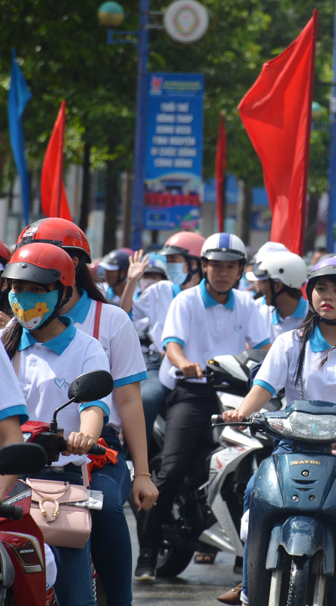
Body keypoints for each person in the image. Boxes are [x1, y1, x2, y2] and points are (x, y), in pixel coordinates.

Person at [222, 257, 336, 606]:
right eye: (321, 288)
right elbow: (263, 387)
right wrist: (241, 412)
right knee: (252, 491)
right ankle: (248, 591)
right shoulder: (291, 341)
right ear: (310, 293)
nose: (328, 296)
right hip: (293, 447)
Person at [18, 218, 158, 606]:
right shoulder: (12, 330)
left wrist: (142, 474)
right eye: (22, 279)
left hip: (89, 449)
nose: (30, 287)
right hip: (17, 447)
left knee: (107, 507)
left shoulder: (108, 321)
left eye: (44, 274)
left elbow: (126, 401)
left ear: (72, 269)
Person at [136, 233, 270, 581]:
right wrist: (184, 364)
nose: (223, 273)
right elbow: (172, 345)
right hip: (192, 392)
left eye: (230, 266)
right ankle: (147, 553)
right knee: (173, 468)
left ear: (241, 270)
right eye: (216, 266)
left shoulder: (247, 304)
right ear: (204, 266)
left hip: (237, 396)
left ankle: (251, 554)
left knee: (263, 465)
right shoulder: (186, 301)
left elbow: (267, 348)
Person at [2, 242, 112, 606]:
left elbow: (94, 406)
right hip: (7, 478)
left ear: (63, 292)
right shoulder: (4, 343)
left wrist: (84, 436)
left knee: (76, 598)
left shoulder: (87, 348)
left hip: (57, 484)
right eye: (18, 288)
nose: (23, 297)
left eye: (37, 289)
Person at [120, 232, 206, 446]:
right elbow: (124, 317)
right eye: (168, 261)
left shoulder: (211, 295)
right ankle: (135, 459)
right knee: (147, 398)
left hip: (205, 367)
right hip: (159, 363)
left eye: (174, 260)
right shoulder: (160, 290)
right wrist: (131, 282)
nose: (169, 266)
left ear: (195, 263)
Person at [253, 250, 309, 342]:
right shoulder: (263, 312)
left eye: (264, 283)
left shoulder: (313, 316)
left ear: (277, 286)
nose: (261, 288)